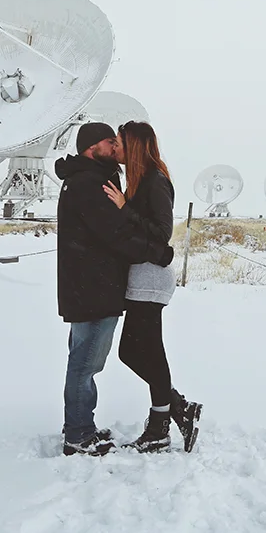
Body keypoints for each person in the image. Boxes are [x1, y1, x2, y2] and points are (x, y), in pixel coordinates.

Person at [53, 121, 175, 457]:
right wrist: (159, 253)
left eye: (118, 141)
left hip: (93, 286)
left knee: (87, 360)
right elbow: (115, 235)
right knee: (85, 363)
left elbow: (125, 228)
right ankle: (79, 435)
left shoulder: (93, 179)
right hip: (93, 289)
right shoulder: (89, 183)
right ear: (93, 148)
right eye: (110, 142)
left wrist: (129, 214)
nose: (115, 147)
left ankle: (81, 425)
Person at [102, 121, 203, 453]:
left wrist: (125, 208)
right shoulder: (140, 181)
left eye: (119, 143)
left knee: (147, 352)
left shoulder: (155, 181)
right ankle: (178, 409)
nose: (115, 148)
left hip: (151, 277)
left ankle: (161, 426)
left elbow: (162, 233)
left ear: (133, 146)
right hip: (141, 276)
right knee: (132, 352)